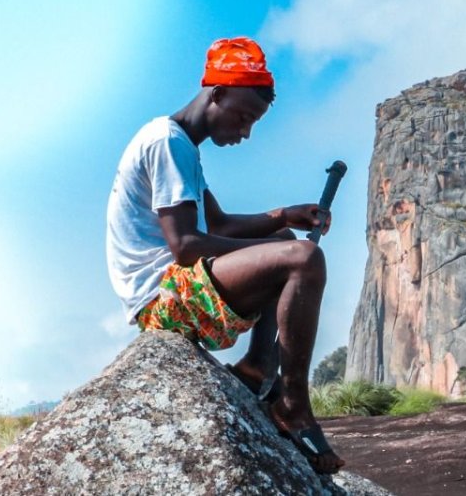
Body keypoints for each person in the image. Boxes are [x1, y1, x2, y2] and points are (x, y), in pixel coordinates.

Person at [105, 36, 344, 474]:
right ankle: (293, 401)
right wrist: (285, 251)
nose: (245, 132)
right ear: (217, 94)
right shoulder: (166, 141)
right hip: (164, 300)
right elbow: (185, 245)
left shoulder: (182, 146)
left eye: (252, 123)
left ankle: (257, 368)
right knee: (301, 259)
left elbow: (219, 227)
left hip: (178, 289)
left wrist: (283, 216)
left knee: (285, 244)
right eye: (243, 117)